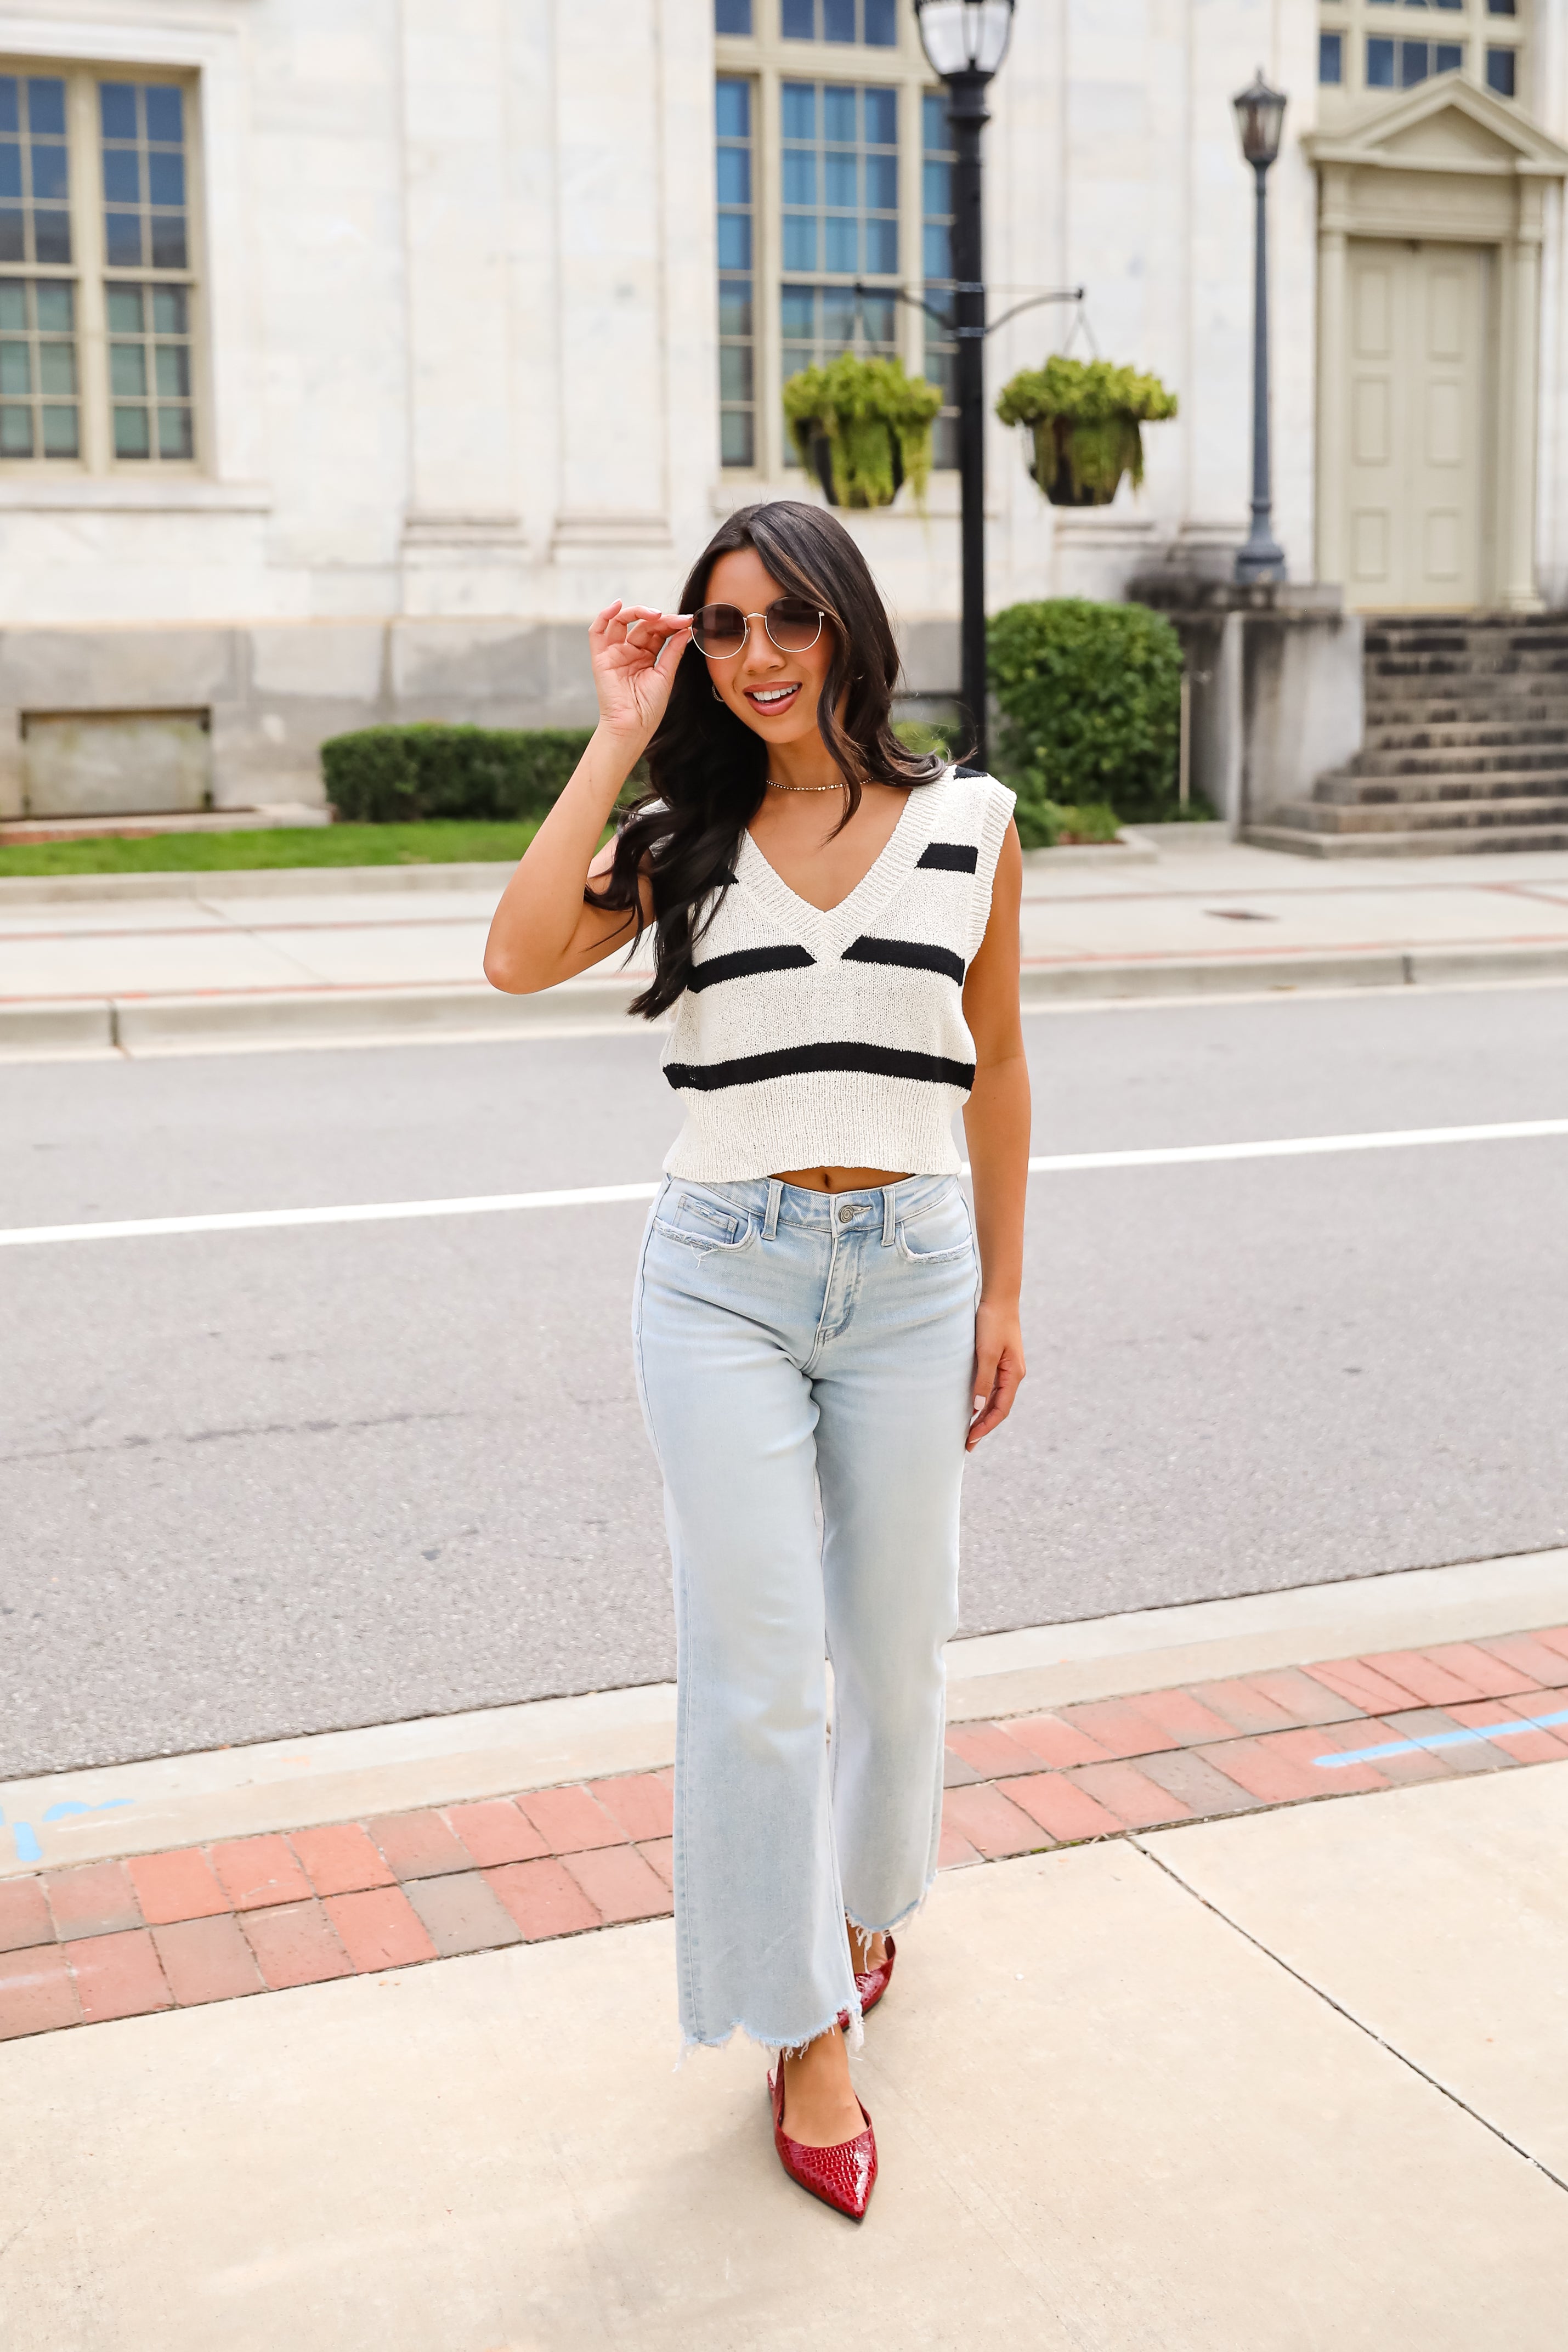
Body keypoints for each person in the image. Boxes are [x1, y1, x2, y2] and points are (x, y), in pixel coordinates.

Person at [484, 499, 1028, 2221]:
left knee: (895, 1649)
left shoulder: (970, 823)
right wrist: (619, 729)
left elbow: (993, 1061)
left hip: (913, 1272)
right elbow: (512, 958)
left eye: (787, 620)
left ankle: (867, 1907)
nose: (758, 656)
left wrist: (1005, 1292)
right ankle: (801, 2026)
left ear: (848, 628)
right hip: (716, 1275)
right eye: (723, 628)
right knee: (758, 1669)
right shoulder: (678, 832)